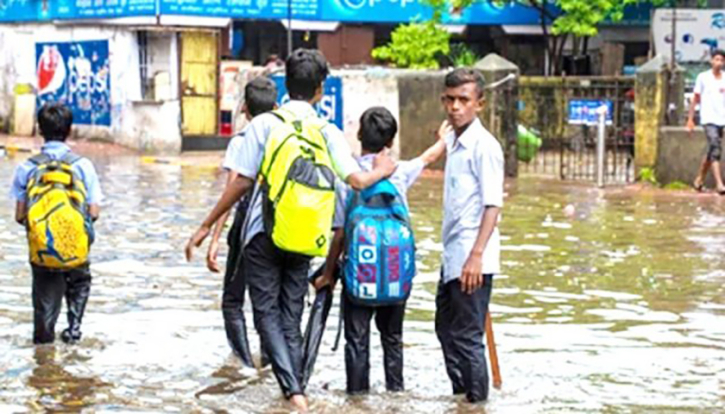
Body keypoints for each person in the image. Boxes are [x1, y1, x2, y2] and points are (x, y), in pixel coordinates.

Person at [185, 48, 395, 412]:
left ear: (286, 84)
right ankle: (294, 387)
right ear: (320, 89)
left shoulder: (265, 125)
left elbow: (240, 183)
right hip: (306, 233)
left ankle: (294, 394)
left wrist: (206, 225)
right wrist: (383, 171)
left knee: (265, 312)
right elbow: (357, 180)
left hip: (262, 233)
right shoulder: (326, 130)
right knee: (291, 314)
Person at [314, 107, 450, 395]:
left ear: (359, 135)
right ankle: (396, 395)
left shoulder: (348, 177)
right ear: (391, 141)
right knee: (392, 338)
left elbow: (339, 233)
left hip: (358, 276)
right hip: (393, 273)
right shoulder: (399, 173)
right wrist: (442, 137)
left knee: (357, 341)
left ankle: (358, 400)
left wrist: (328, 274)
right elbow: (430, 157)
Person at [434, 68, 503, 403]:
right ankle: (462, 398)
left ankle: (477, 404)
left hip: (472, 256)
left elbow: (493, 205)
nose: (455, 107)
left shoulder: (484, 147)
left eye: (463, 100)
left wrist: (476, 256)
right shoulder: (456, 142)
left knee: (466, 337)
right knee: (445, 329)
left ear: (480, 104)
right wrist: (444, 138)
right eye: (449, 100)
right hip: (453, 254)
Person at [10, 103, 103, 345]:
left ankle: (44, 358)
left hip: (42, 250)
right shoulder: (83, 166)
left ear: (40, 130)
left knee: (44, 310)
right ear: (69, 130)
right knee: (80, 281)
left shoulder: (27, 168)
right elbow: (94, 211)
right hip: (76, 247)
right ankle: (73, 330)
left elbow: (20, 216)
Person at [206, 76, 277, 368]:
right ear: (275, 106)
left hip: (247, 228)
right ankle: (272, 360)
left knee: (233, 300)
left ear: (245, 109)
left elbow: (233, 191)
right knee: (269, 301)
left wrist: (213, 239)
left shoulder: (241, 141)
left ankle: (244, 364)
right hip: (279, 227)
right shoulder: (285, 137)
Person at [688, 49, 725, 194]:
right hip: (708, 118)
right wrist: (690, 119)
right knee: (715, 147)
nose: (719, 63)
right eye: (716, 59)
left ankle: (699, 179)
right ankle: (719, 184)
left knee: (711, 150)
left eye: (721, 60)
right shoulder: (703, 77)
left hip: (722, 119)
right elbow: (695, 98)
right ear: (711, 61)